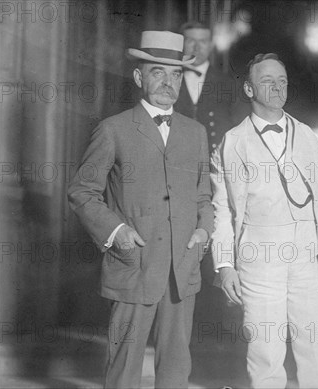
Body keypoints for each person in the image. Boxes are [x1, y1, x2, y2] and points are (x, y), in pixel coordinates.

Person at [67, 31, 213, 388]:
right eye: (157, 72)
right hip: (134, 265)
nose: (168, 82)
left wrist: (203, 231)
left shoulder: (195, 133)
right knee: (125, 364)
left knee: (177, 366)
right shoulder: (113, 130)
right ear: (138, 77)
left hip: (183, 267)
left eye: (176, 74)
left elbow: (204, 196)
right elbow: (82, 191)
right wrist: (118, 234)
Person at [210, 53, 318, 388]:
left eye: (282, 80)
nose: (277, 87)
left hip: (308, 253)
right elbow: (222, 209)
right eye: (267, 81)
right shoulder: (232, 143)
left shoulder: (309, 136)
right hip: (259, 254)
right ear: (249, 90)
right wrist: (225, 266)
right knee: (265, 350)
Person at [175, 21, 249, 152]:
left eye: (202, 41)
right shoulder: (171, 79)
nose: (196, 47)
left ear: (210, 45)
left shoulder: (228, 83)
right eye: (190, 41)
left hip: (216, 162)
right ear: (181, 44)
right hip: (179, 160)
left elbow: (242, 128)